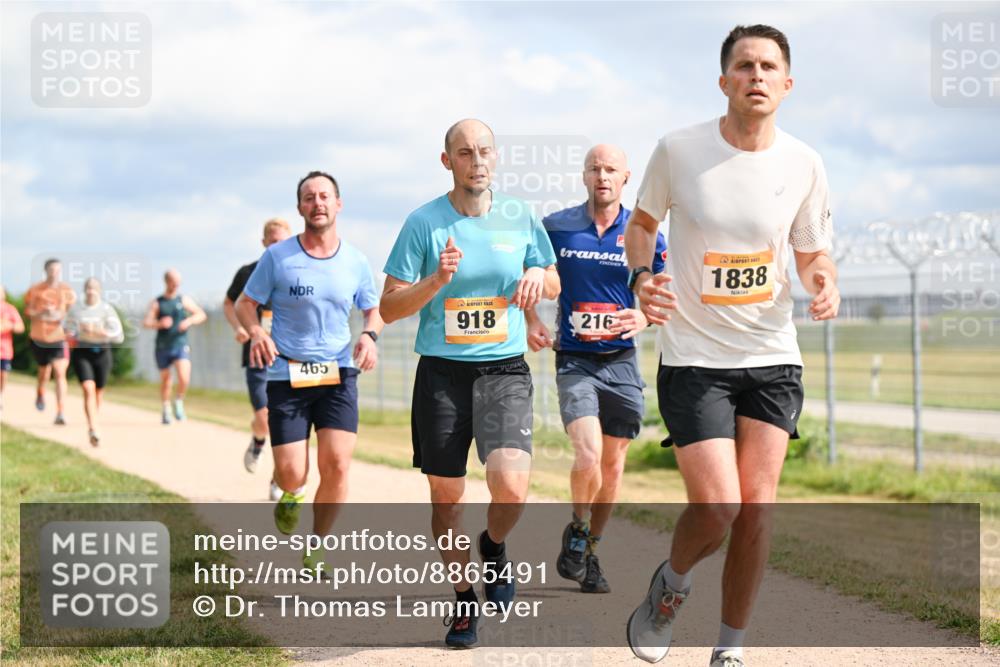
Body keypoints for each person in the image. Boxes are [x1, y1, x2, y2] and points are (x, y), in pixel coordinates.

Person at [623, 25, 840, 667]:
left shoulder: (805, 163)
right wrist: (642, 277)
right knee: (719, 505)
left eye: (769, 67)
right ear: (724, 81)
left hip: (772, 354)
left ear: (787, 84)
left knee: (757, 512)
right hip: (694, 358)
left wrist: (823, 282)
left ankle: (730, 650)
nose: (756, 76)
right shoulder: (679, 150)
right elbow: (641, 225)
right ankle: (672, 586)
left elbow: (811, 252)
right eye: (744, 66)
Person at [380, 119, 559, 648]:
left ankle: (495, 546)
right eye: (464, 153)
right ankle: (463, 601)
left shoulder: (520, 215)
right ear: (447, 162)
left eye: (483, 151)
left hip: (503, 369)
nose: (476, 160)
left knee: (511, 484)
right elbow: (389, 308)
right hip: (442, 374)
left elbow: (551, 277)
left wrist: (536, 278)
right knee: (447, 502)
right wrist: (436, 280)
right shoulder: (423, 224)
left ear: (495, 157)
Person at [526, 144, 666, 595]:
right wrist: (532, 319)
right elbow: (525, 270)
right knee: (587, 455)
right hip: (575, 360)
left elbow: (666, 293)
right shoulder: (557, 228)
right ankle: (579, 524)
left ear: (626, 178)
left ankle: (590, 551)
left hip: (623, 362)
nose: (602, 176)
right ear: (583, 176)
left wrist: (643, 317)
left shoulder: (644, 234)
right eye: (594, 169)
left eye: (611, 169)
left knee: (614, 464)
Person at [236, 170, 382, 568]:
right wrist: (255, 333)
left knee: (336, 464)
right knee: (291, 472)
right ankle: (292, 492)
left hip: (338, 374)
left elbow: (374, 309)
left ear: (338, 204)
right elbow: (244, 304)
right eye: (308, 198)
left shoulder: (355, 260)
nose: (317, 203)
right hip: (287, 374)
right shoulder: (277, 257)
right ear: (300, 207)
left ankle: (318, 543)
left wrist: (369, 336)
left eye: (324, 196)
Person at [224, 217, 292, 499]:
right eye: (272, 241)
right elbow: (230, 303)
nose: (277, 246)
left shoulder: (298, 271)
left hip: (289, 357)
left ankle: (278, 479)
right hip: (257, 355)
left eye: (282, 241)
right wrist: (240, 328)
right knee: (263, 416)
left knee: (286, 422)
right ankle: (258, 439)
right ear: (264, 242)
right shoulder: (248, 273)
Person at [64, 278, 125, 446]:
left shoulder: (107, 309)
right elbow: (67, 329)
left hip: (102, 353)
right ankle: (93, 428)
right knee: (87, 388)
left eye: (94, 288)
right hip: (82, 352)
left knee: (98, 393)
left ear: (99, 290)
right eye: (88, 288)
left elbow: (119, 336)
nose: (91, 291)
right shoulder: (76, 309)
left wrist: (97, 331)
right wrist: (75, 333)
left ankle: (93, 420)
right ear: (85, 290)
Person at [142, 270, 207, 424]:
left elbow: (201, 314)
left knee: (184, 377)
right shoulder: (158, 302)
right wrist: (159, 324)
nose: (176, 285)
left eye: (178, 281)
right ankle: (165, 408)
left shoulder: (183, 299)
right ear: (167, 281)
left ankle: (178, 401)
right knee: (166, 380)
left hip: (180, 344)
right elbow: (146, 322)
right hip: (163, 346)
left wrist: (188, 321)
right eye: (173, 281)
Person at [23, 258, 76, 424]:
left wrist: (64, 320)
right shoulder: (35, 290)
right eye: (52, 270)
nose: (55, 273)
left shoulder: (67, 291)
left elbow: (72, 313)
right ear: (46, 271)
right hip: (39, 337)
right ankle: (40, 391)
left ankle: (60, 411)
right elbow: (28, 311)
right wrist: (41, 312)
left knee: (60, 373)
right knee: (44, 373)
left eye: (58, 270)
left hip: (58, 338)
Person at [0, 285, 26, 411]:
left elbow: (20, 327)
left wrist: (9, 325)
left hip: (4, 350)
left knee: (3, 375)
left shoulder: (10, 309)